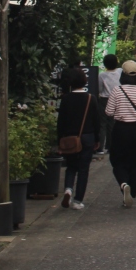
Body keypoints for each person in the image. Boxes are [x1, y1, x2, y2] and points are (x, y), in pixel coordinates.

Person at [106, 61, 136, 207]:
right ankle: (132, 192)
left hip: (121, 128)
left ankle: (123, 183)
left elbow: (109, 111)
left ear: (123, 74)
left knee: (118, 159)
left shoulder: (117, 90)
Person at [57, 67, 100, 210]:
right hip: (87, 137)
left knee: (71, 166)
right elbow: (96, 121)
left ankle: (68, 190)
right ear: (84, 81)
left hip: (70, 138)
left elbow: (61, 122)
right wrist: (97, 139)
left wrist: (59, 140)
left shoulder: (66, 99)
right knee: (83, 169)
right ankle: (78, 200)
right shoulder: (91, 98)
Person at [97, 53, 122, 156]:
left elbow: (99, 89)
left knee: (102, 123)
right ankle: (110, 146)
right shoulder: (120, 72)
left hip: (104, 99)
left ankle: (100, 148)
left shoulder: (101, 75)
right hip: (116, 98)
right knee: (112, 123)